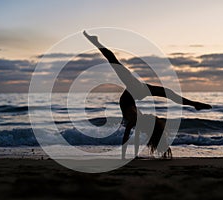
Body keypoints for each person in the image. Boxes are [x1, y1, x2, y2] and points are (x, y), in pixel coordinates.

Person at [83, 31, 212, 159]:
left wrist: (126, 157)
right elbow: (129, 136)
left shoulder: (136, 120)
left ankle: (194, 104)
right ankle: (194, 104)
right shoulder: (136, 120)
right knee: (168, 93)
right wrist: (126, 157)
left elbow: (128, 137)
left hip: (137, 91)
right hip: (136, 90)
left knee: (168, 93)